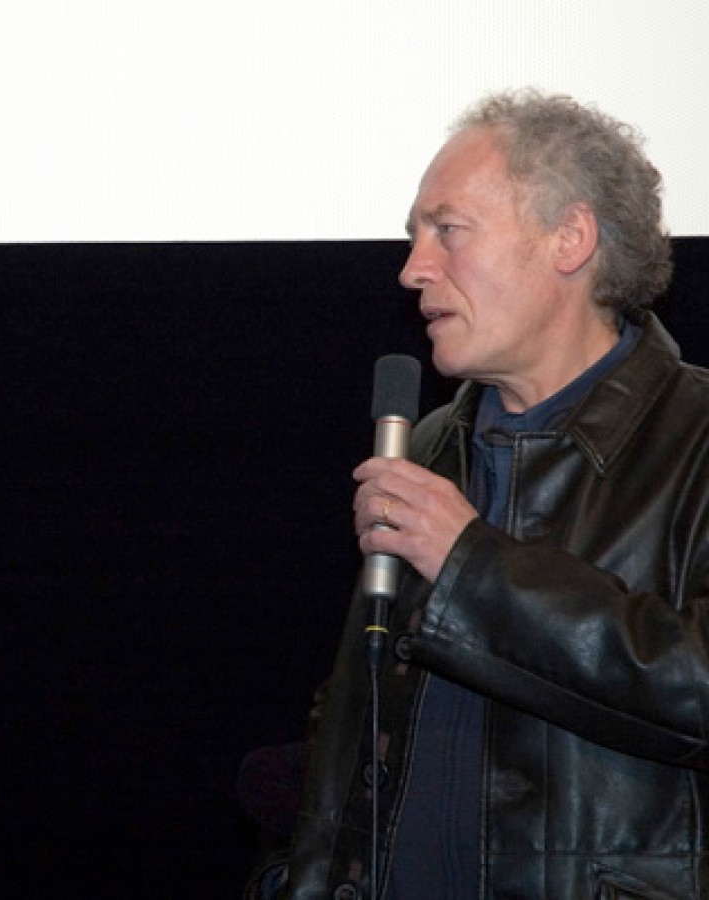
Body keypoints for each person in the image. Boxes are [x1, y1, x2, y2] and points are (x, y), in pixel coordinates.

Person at [281, 89, 709, 899]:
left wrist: (472, 564)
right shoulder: (431, 443)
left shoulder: (695, 438)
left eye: (448, 230)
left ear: (569, 238)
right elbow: (351, 733)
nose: (412, 269)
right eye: (414, 235)